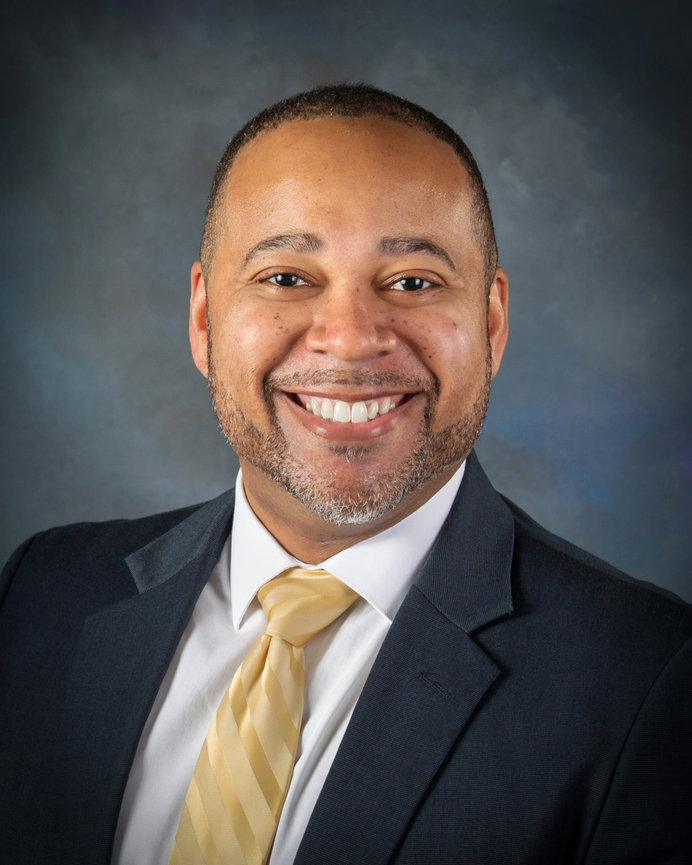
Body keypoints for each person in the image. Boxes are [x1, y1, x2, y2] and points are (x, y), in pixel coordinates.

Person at [1, 84, 690, 865]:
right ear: (203, 321)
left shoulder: (648, 679)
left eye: (413, 282)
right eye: (287, 278)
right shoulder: (41, 594)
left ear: (492, 324)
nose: (351, 338)